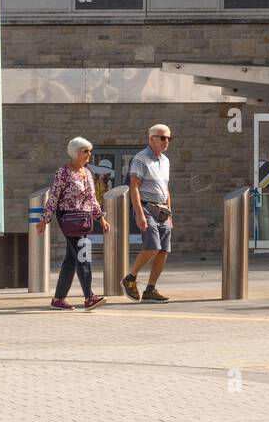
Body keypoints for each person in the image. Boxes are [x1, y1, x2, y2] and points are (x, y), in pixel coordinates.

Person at [38, 136, 108, 311]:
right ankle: (89, 297)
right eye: (85, 151)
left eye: (90, 151)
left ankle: (58, 299)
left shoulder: (88, 173)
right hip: (68, 218)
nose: (89, 154)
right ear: (75, 153)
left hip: (84, 219)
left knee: (71, 259)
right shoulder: (63, 172)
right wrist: (44, 219)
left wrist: (101, 217)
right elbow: (53, 197)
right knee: (83, 255)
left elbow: (92, 199)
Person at [120, 124, 174, 303]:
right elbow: (134, 187)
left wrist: (170, 214)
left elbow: (165, 188)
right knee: (152, 247)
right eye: (163, 138)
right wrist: (140, 214)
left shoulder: (165, 160)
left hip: (163, 210)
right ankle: (130, 278)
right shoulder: (140, 159)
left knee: (163, 251)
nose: (166, 141)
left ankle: (151, 289)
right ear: (152, 139)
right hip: (147, 207)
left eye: (169, 138)